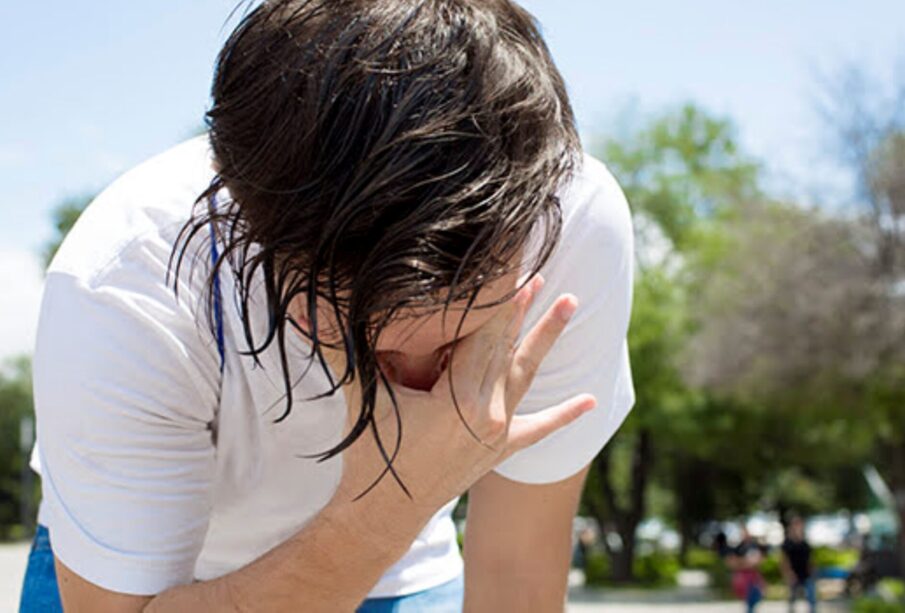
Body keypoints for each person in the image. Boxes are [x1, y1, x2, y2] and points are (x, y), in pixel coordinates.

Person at [18, 1, 635, 611]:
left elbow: (514, 579)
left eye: (460, 341)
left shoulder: (573, 230)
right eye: (378, 350)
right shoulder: (128, 286)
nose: (435, 399)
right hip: (132, 578)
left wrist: (389, 525)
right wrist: (381, 514)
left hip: (403, 575)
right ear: (256, 246)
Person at [726, 527, 766, 613]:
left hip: (754, 576)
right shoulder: (739, 547)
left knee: (757, 595)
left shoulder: (754, 546)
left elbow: (759, 560)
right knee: (749, 598)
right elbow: (732, 562)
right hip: (744, 576)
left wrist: (747, 562)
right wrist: (745, 562)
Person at [781, 517, 817, 612]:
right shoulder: (788, 543)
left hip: (806, 574)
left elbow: (810, 559)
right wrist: (788, 573)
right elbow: (784, 560)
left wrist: (812, 570)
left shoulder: (805, 543)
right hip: (794, 574)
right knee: (793, 599)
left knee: (811, 598)